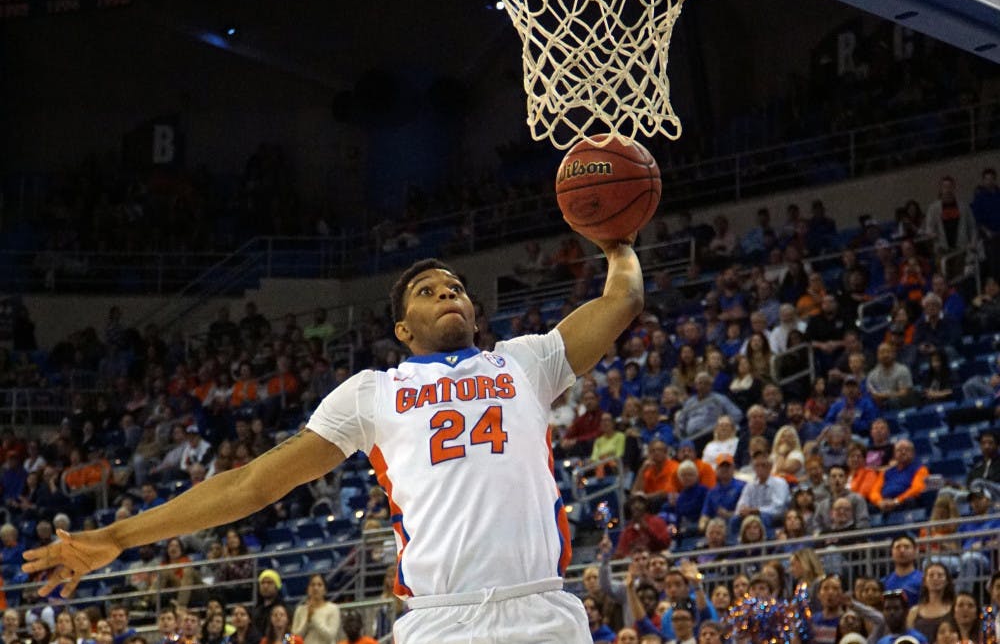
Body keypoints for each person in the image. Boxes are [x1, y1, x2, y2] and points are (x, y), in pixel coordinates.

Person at [26, 243, 648, 644]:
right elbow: (253, 484)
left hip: (540, 610)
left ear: (475, 311)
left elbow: (623, 299)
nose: (446, 294)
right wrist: (115, 536)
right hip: (442, 622)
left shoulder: (526, 362)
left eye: (454, 287)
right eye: (427, 292)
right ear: (403, 330)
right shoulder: (371, 392)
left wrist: (618, 239)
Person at [733, 451, 790, 528]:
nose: (760, 468)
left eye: (763, 465)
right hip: (752, 517)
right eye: (757, 465)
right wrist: (743, 510)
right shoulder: (750, 486)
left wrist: (757, 510)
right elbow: (741, 505)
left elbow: (778, 508)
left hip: (774, 519)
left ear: (770, 467)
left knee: (764, 517)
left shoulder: (780, 483)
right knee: (735, 520)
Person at [869, 440, 929, 512]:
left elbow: (917, 489)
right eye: (899, 450)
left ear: (913, 454)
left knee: (910, 501)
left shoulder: (920, 469)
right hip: (884, 502)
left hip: (903, 502)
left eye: (907, 450)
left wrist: (896, 501)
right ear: (894, 455)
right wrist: (879, 502)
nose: (903, 452)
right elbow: (874, 491)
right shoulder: (885, 472)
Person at [906, 564, 955, 644]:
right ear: (925, 581)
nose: (935, 578)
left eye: (940, 575)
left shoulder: (954, 609)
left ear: (947, 581)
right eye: (931, 575)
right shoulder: (914, 612)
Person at [291, 575, 340, 644]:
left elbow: (330, 636)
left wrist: (313, 618)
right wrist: (307, 621)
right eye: (312, 585)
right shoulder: (300, 610)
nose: (315, 588)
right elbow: (294, 638)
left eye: (319, 585)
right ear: (308, 589)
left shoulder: (333, 609)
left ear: (325, 590)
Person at [883, 536, 923, 607]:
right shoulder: (885, 581)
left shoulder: (923, 580)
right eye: (897, 547)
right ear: (891, 552)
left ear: (915, 551)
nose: (902, 550)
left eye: (906, 547)